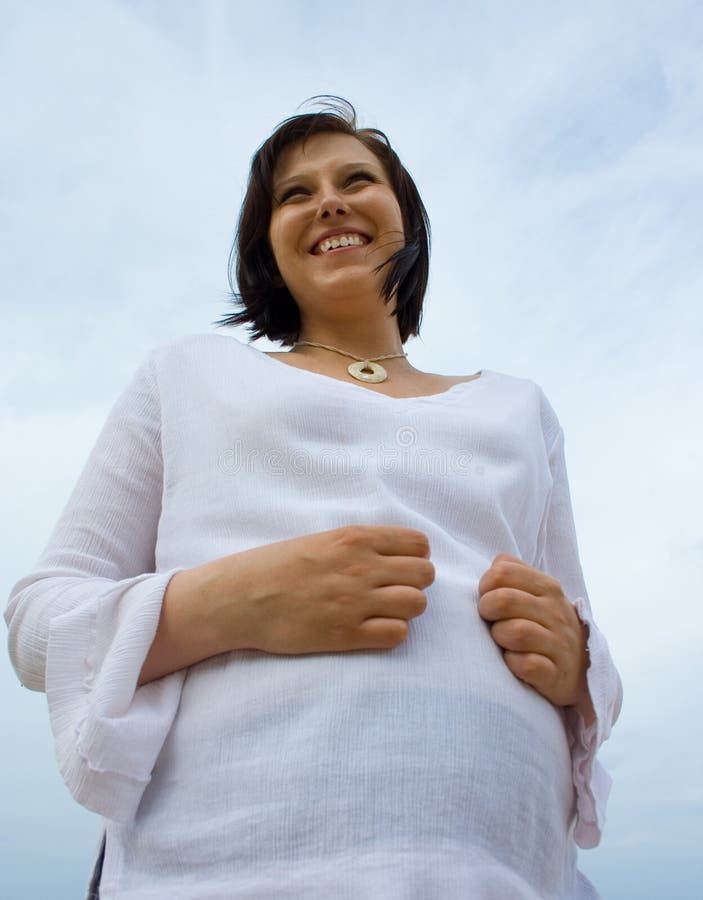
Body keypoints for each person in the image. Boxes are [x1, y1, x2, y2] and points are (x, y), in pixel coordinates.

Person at [5, 98, 622, 899]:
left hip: (503, 870)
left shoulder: (520, 409)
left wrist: (579, 667)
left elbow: (569, 632)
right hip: (222, 870)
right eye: (294, 194)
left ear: (407, 220)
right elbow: (38, 628)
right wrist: (228, 602)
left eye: (356, 179)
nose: (328, 199)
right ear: (266, 248)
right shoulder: (186, 377)